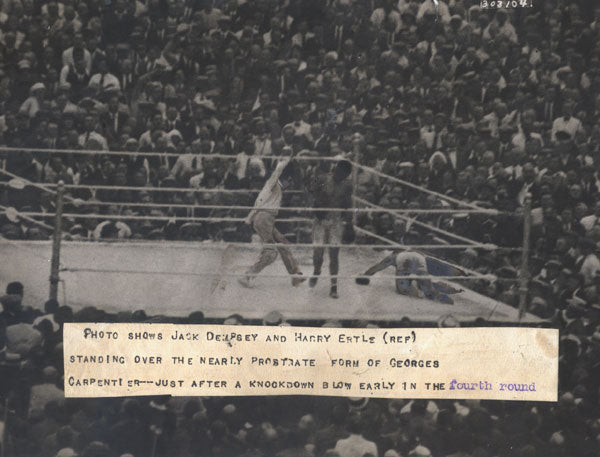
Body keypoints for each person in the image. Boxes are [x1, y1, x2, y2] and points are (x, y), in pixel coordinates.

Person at [239, 154, 305, 287]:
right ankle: (248, 276)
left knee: (282, 243)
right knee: (271, 253)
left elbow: (288, 182)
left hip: (264, 219)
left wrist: (248, 220)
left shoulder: (273, 187)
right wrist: (286, 160)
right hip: (264, 219)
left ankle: (295, 275)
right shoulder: (271, 182)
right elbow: (279, 171)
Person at [308, 159, 354, 298]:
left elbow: (347, 203)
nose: (340, 176)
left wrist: (349, 222)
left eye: (344, 175)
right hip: (320, 220)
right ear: (336, 169)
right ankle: (317, 270)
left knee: (334, 255)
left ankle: (334, 286)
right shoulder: (321, 178)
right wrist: (315, 208)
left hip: (336, 221)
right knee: (318, 253)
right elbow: (310, 192)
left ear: (347, 175)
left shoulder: (347, 185)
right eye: (339, 172)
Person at [355, 247, 461, 304]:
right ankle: (431, 288)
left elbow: (378, 267)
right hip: (420, 261)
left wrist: (365, 275)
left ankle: (420, 284)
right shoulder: (415, 252)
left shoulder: (395, 257)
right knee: (428, 289)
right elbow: (432, 261)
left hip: (410, 265)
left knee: (403, 291)